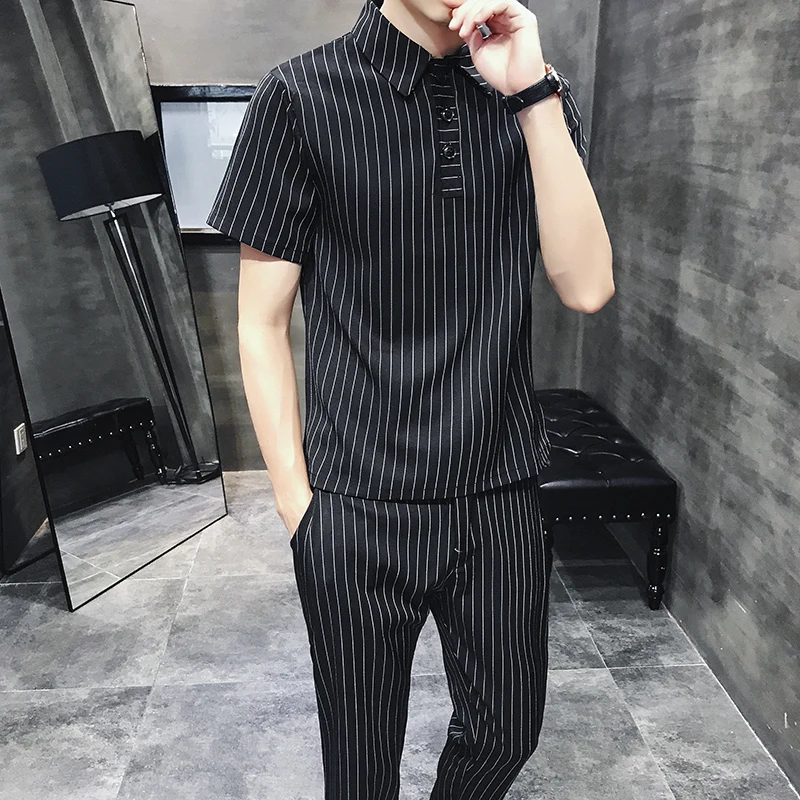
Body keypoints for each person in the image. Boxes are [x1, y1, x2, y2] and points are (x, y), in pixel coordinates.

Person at [207, 0, 614, 796]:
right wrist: (299, 507)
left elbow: (588, 287)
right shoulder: (299, 96)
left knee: (507, 733)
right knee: (360, 771)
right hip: (356, 507)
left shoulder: (536, 95)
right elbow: (260, 322)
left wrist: (533, 96)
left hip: (499, 494)